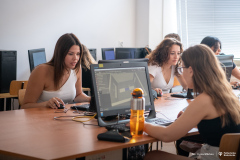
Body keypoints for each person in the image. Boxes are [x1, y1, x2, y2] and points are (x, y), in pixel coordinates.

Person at [144, 44, 240, 160]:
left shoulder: (204, 100)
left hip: (212, 157)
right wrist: (194, 120)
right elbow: (220, 124)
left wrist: (142, 124)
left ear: (190, 70)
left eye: (182, 68)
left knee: (152, 155)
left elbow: (167, 135)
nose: (181, 72)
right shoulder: (226, 93)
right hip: (225, 155)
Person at [22, 33, 91, 109]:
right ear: (60, 53)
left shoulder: (77, 69)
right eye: (70, 54)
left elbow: (78, 95)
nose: (75, 58)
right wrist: (46, 104)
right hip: (42, 118)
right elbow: (25, 106)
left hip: (65, 117)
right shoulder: (41, 71)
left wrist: (92, 99)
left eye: (78, 54)